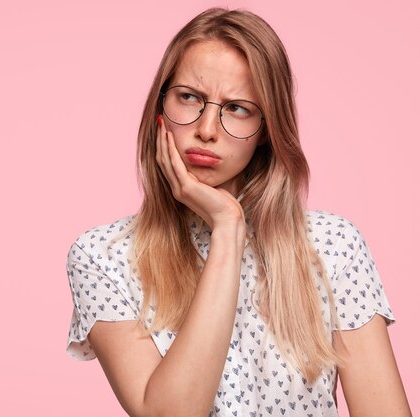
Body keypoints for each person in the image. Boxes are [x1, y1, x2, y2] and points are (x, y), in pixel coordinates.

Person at [65, 7, 411, 417]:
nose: (207, 128)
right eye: (189, 97)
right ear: (160, 108)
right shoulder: (103, 257)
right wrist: (228, 228)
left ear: (266, 131)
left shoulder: (333, 247)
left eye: (237, 108)